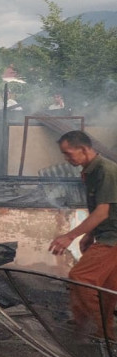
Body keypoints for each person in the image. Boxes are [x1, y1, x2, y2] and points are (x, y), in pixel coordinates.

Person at [48, 130, 117, 338]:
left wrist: (69, 236)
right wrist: (90, 234)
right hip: (107, 234)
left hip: (113, 238)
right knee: (106, 288)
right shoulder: (90, 171)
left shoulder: (106, 171)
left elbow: (103, 211)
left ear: (84, 149)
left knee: (80, 278)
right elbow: (102, 208)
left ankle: (89, 329)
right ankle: (105, 335)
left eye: (68, 153)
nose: (66, 158)